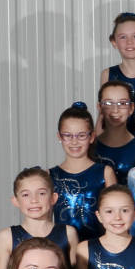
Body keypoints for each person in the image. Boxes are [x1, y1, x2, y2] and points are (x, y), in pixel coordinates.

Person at [0, 167, 78, 269]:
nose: (34, 200)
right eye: (26, 195)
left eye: (41, 193)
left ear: (53, 198)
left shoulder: (68, 233)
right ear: (15, 201)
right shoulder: (7, 237)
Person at [50, 102, 115, 241]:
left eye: (81, 135)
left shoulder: (105, 173)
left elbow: (115, 215)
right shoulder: (50, 176)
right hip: (62, 251)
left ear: (92, 137)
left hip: (98, 249)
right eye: (68, 135)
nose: (74, 142)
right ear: (59, 137)